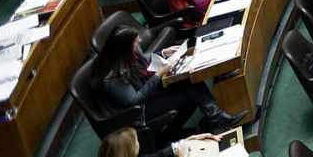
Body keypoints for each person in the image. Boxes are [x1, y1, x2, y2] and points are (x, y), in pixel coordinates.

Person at [89, 24, 245, 133]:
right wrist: (158, 75)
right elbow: (134, 101)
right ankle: (215, 117)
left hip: (146, 91)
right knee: (186, 93)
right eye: (136, 42)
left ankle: (215, 116)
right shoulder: (112, 77)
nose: (140, 42)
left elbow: (145, 59)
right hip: (137, 111)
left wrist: (164, 53)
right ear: (125, 47)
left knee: (188, 79)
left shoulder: (127, 53)